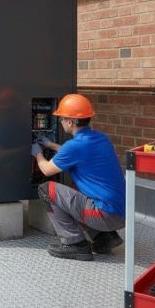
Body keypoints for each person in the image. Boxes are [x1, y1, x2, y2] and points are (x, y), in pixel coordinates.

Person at [30, 94, 125, 261]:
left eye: (62, 118)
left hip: (104, 215)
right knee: (72, 191)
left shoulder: (74, 146)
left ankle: (74, 244)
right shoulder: (101, 138)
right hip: (122, 213)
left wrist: (37, 153)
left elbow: (46, 170)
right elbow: (78, 154)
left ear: (71, 122)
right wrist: (50, 145)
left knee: (47, 189)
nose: (60, 122)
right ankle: (105, 238)